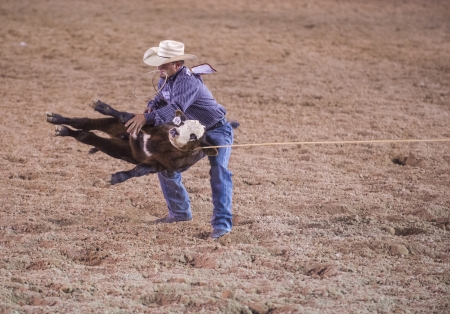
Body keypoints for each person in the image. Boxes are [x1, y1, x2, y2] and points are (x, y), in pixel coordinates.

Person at [125, 40, 234, 239]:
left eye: (163, 64)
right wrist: (151, 105)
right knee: (166, 166)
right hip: (192, 134)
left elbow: (174, 108)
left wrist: (146, 117)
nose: (159, 67)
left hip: (217, 131)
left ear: (177, 65)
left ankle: (222, 224)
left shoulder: (188, 82)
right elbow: (161, 99)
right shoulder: (165, 78)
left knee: (219, 171)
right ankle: (180, 213)